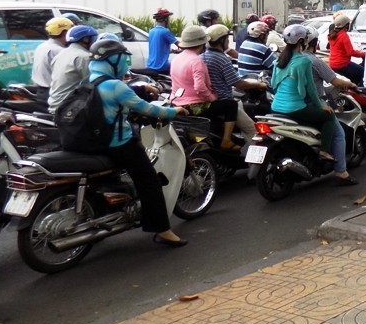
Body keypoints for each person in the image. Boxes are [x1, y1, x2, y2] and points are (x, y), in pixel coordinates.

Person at [87, 38, 188, 247]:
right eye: (123, 59)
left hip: (91, 142)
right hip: (119, 144)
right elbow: (148, 109)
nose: (125, 63)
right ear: (113, 60)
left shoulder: (87, 80)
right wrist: (173, 111)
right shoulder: (114, 85)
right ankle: (163, 229)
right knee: (150, 182)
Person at [270, 24, 339, 166]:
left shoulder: (279, 60)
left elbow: (273, 85)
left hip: (275, 106)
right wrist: (321, 105)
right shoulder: (304, 61)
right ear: (301, 41)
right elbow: (311, 89)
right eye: (306, 38)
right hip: (295, 107)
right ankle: (324, 151)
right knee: (329, 117)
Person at [170, 25, 241, 152]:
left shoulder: (177, 58)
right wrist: (212, 97)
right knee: (231, 105)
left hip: (176, 102)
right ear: (202, 43)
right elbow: (200, 87)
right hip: (194, 106)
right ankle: (226, 140)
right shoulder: (195, 60)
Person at [303, 28, 358, 184]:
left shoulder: (288, 60)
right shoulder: (313, 61)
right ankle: (340, 171)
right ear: (314, 43)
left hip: (283, 103)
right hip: (309, 103)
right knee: (338, 134)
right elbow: (334, 81)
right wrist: (351, 84)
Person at [202, 24, 267, 147]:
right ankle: (254, 164)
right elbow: (238, 84)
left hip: (209, 102)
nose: (228, 42)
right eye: (227, 39)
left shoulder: (202, 57)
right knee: (252, 130)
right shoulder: (222, 60)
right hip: (223, 101)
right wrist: (259, 84)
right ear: (221, 40)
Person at [47, 25, 99, 112]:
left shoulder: (61, 53)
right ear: (85, 39)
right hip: (69, 107)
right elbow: (93, 82)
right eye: (93, 38)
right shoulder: (84, 57)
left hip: (55, 103)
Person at [31, 17, 73, 92]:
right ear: (65, 33)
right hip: (52, 92)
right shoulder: (60, 51)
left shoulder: (42, 46)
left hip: (40, 89)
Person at [327, 13, 365, 84]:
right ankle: (361, 92)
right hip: (342, 64)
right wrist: (363, 54)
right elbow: (350, 52)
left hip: (333, 64)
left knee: (354, 75)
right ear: (346, 25)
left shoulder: (333, 34)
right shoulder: (343, 35)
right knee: (363, 72)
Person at [146, 8, 176, 74]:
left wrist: (172, 51)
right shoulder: (165, 31)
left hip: (150, 65)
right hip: (161, 66)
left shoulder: (151, 31)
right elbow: (180, 44)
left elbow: (158, 47)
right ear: (165, 19)